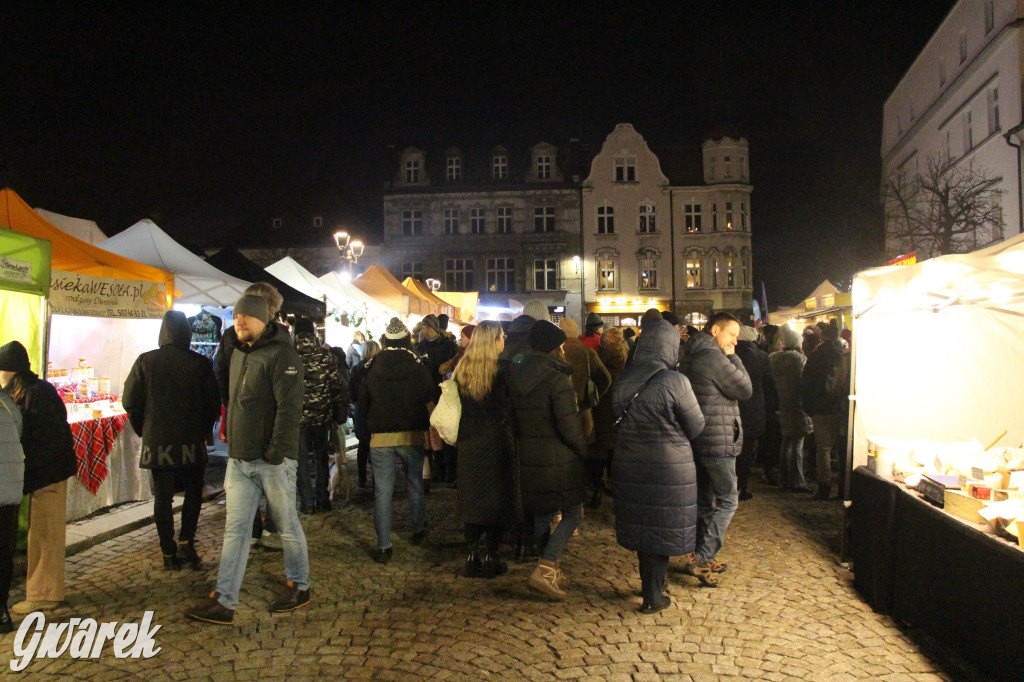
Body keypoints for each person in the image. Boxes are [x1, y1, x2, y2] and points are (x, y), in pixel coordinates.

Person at [185, 295, 310, 625]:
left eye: (245, 316)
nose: (238, 320)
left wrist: (275, 452)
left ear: (263, 319)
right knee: (235, 531)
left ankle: (300, 584)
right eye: (236, 314)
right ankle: (225, 601)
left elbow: (289, 408)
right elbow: (232, 398)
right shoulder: (239, 352)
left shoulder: (283, 354)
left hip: (273, 461)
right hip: (239, 459)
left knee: (287, 527)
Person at [612, 319, 705, 613]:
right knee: (660, 528)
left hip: (629, 462)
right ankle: (653, 595)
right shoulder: (675, 381)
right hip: (668, 466)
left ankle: (652, 586)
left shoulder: (624, 377)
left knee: (645, 527)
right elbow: (696, 425)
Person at [123, 311, 220, 570]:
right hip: (191, 439)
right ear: (187, 332)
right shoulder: (199, 363)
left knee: (163, 498)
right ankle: (186, 541)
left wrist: (145, 429)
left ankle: (168, 552)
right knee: (192, 494)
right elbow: (213, 403)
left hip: (158, 440)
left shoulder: (146, 361)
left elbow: (130, 401)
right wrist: (203, 429)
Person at [507, 321, 587, 601]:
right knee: (572, 513)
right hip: (559, 459)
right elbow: (568, 425)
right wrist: (582, 450)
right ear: (555, 347)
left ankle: (549, 567)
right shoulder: (556, 379)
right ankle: (546, 565)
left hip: (530, 455)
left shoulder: (516, 374)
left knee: (542, 512)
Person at [0, 341, 77, 615]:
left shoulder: (36, 394)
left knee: (45, 535)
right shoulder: (36, 390)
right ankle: (44, 590)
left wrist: (27, 469)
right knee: (43, 533)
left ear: (10, 372)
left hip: (48, 475)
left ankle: (44, 594)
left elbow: (46, 440)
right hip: (47, 472)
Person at [678, 312, 752, 586]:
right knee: (729, 499)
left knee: (705, 501)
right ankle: (703, 558)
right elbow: (745, 389)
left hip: (699, 437)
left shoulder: (692, 354)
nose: (734, 341)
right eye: (731, 334)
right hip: (718, 439)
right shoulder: (714, 358)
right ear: (715, 330)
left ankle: (699, 553)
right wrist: (734, 357)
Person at [358, 318, 438, 563]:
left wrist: (365, 433)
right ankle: (418, 529)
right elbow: (430, 396)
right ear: (406, 339)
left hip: (380, 437)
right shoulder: (417, 366)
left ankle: (384, 546)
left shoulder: (372, 366)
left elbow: (362, 403)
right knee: (414, 483)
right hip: (410, 434)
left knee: (382, 491)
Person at [214, 281, 285, 550]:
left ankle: (256, 527)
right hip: (257, 417)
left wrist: (230, 403)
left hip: (241, 415)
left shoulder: (234, 336)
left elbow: (219, 372)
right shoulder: (270, 338)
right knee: (265, 471)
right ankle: (267, 525)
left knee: (249, 469)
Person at [452, 321, 517, 578]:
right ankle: (491, 555)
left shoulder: (463, 369)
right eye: (502, 336)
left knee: (472, 499)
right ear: (494, 340)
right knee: (495, 500)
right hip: (496, 441)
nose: (504, 340)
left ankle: (471, 555)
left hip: (469, 442)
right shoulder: (504, 370)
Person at [293, 317, 346, 513]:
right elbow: (335, 387)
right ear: (314, 333)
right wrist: (337, 410)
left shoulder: (289, 356)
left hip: (297, 419)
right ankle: (323, 499)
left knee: (300, 462)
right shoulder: (326, 357)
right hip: (322, 417)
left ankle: (307, 502)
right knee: (321, 458)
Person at [801, 320, 848, 500]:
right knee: (843, 449)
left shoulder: (817, 356)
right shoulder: (844, 356)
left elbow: (806, 382)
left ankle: (824, 486)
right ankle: (844, 487)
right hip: (842, 407)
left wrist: (809, 406)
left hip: (821, 408)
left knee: (824, 448)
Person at [588, 327, 629, 508]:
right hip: (618, 414)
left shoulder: (596, 360)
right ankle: (614, 491)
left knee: (598, 455)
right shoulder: (626, 364)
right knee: (614, 456)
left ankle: (596, 490)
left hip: (599, 411)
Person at [416, 314, 459, 485]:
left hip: (446, 395)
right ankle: (435, 469)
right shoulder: (419, 348)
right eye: (423, 327)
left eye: (427, 327)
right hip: (428, 395)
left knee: (446, 432)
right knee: (431, 433)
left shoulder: (448, 346)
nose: (424, 330)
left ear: (434, 328)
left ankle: (449, 471)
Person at [770, 327, 813, 493]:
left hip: (782, 403)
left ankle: (784, 478)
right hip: (797, 403)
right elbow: (806, 383)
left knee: (787, 441)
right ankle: (797, 481)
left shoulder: (773, 359)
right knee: (797, 445)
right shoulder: (800, 360)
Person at [558, 318, 611, 445]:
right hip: (583, 411)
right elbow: (606, 379)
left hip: (560, 411)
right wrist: (592, 397)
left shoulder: (555, 354)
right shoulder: (587, 352)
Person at [734, 325, 772, 501]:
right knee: (747, 450)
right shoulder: (762, 357)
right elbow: (768, 384)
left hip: (733, 408)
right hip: (754, 408)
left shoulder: (729, 355)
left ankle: (731, 487)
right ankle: (742, 486)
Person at [0, 390, 23, 633]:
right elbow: (19, 429)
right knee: (3, 550)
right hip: (9, 487)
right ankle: (1, 612)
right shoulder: (6, 402)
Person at [348, 340, 380, 488]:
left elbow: (352, 394)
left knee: (363, 445)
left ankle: (362, 478)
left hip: (361, 412)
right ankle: (377, 478)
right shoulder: (380, 369)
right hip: (376, 411)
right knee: (376, 446)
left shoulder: (356, 369)